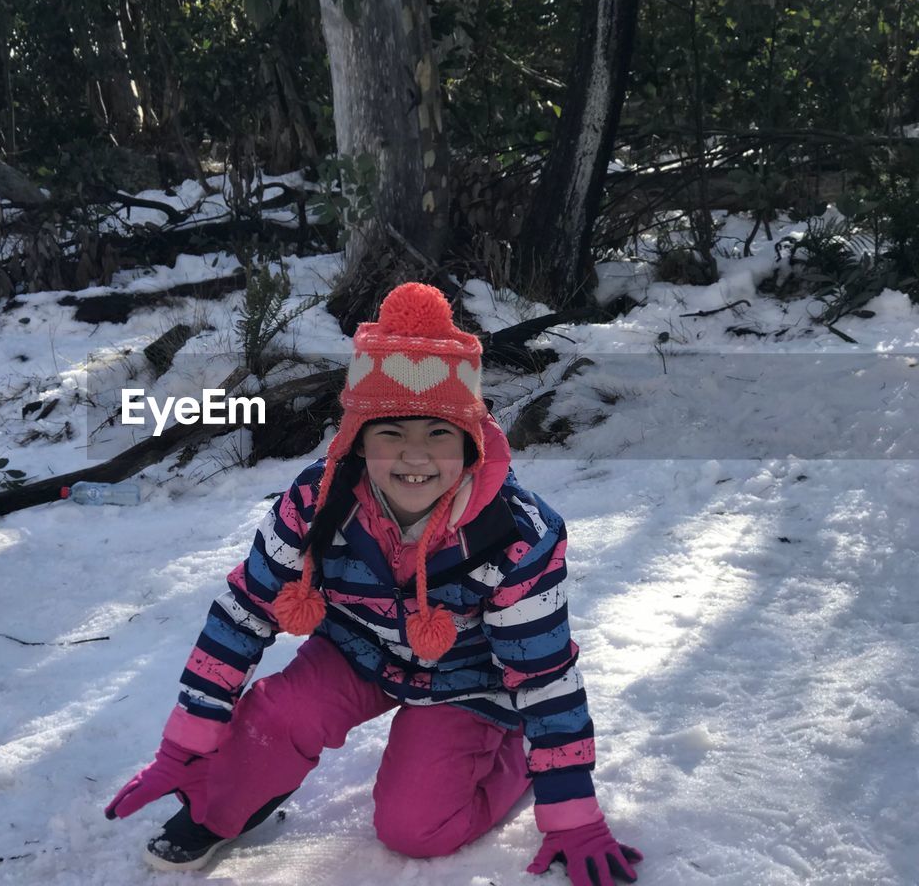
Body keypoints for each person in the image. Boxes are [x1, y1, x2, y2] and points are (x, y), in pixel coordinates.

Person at [105, 282, 641, 886]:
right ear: (358, 439)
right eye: (391, 432)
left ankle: (512, 755)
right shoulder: (315, 501)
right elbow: (243, 611)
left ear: (469, 439)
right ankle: (217, 806)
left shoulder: (518, 534)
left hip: (470, 678)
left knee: (414, 830)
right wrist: (186, 747)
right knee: (281, 713)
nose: (416, 456)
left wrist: (570, 809)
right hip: (355, 650)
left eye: (438, 432)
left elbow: (543, 676)